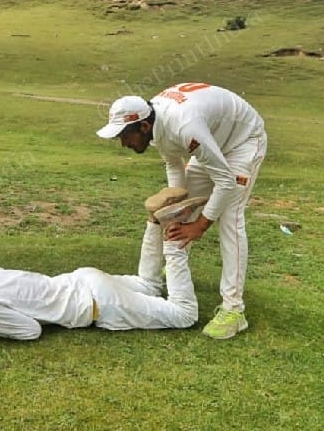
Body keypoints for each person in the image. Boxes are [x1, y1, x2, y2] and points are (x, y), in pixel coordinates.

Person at [0, 189, 203, 340]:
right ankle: (153, 221)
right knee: (150, 286)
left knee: (184, 315)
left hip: (98, 304)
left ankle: (172, 237)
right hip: (83, 280)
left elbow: (29, 330)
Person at [96, 82, 267, 339]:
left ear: (143, 126)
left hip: (243, 141)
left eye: (124, 136)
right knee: (181, 213)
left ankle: (234, 310)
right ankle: (177, 270)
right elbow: (173, 164)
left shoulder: (183, 127)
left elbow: (225, 181)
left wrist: (200, 225)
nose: (123, 144)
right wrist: (176, 207)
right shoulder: (154, 125)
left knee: (230, 218)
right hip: (211, 139)